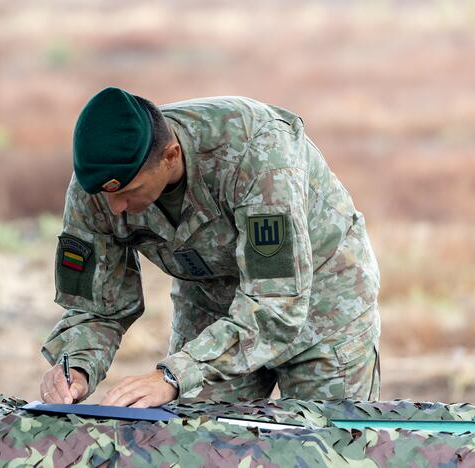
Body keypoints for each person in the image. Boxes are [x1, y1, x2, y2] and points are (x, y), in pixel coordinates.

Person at [39, 87, 380, 408]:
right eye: (106, 195)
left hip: (321, 305)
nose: (114, 208)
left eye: (128, 192)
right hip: (212, 305)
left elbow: (276, 303)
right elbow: (98, 305)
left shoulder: (255, 152)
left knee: (326, 444)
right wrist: (77, 366)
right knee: (199, 444)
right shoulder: (99, 183)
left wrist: (175, 375)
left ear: (170, 157)